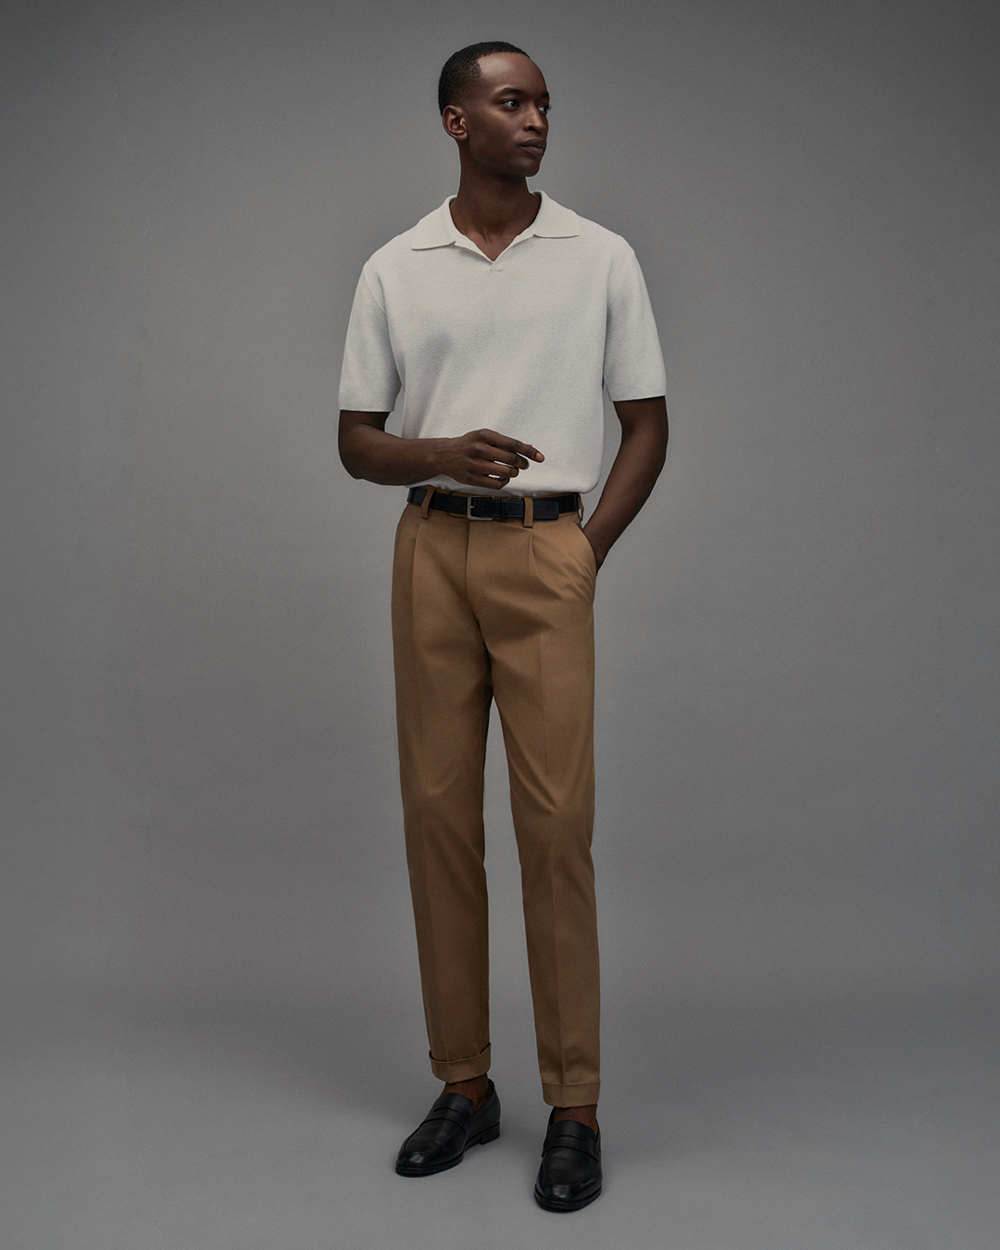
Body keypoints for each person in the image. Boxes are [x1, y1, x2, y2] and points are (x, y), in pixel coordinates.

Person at [337, 40, 668, 1213]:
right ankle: (465, 1084)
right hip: (430, 546)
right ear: (454, 122)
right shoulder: (397, 265)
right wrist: (441, 450)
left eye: (542, 105)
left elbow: (646, 424)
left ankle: (572, 1102)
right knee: (435, 817)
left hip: (545, 549)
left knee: (553, 826)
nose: (533, 121)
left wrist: (581, 551)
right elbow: (356, 439)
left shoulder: (599, 256)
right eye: (510, 102)